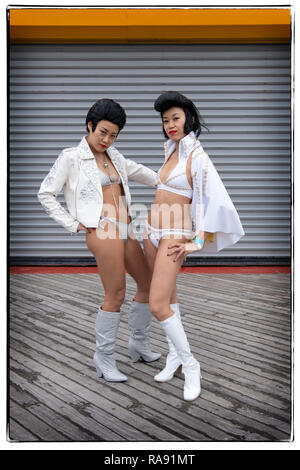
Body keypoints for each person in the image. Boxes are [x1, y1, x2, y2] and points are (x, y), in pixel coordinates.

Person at [38, 98, 161, 383]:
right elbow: (46, 193)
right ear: (90, 125)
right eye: (102, 132)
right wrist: (73, 223)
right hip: (102, 231)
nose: (106, 139)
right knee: (115, 293)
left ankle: (138, 344)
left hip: (126, 228)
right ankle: (103, 358)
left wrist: (175, 180)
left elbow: (145, 173)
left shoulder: (115, 157)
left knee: (147, 284)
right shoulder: (71, 157)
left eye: (113, 135)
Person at [143, 91, 245, 401]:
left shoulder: (197, 155)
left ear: (188, 118)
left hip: (175, 233)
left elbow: (208, 198)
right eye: (165, 120)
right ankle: (174, 355)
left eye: (175, 118)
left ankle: (191, 364)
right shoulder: (170, 149)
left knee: (157, 304)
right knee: (169, 299)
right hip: (150, 230)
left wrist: (197, 241)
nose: (170, 124)